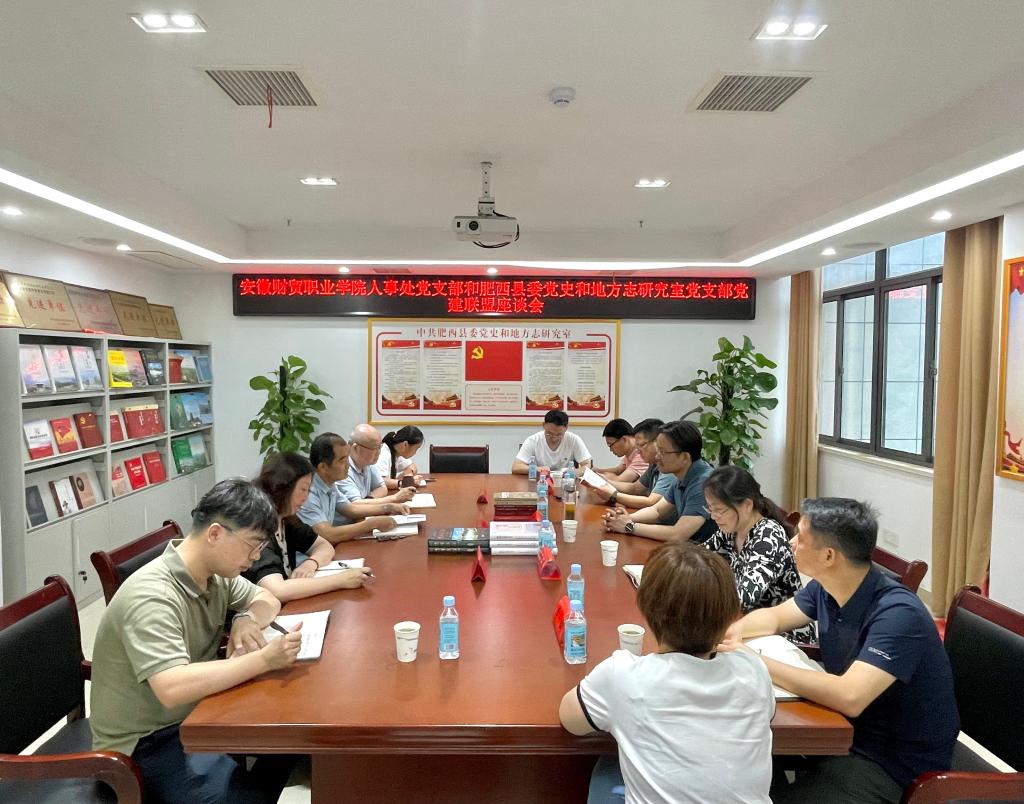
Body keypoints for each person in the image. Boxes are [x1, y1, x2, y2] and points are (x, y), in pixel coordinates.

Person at [721, 498, 959, 804]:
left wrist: (757, 661)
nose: (791, 543)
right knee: (744, 766)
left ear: (829, 555)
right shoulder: (828, 587)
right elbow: (775, 617)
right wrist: (731, 634)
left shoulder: (899, 614)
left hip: (892, 765)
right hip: (847, 736)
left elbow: (850, 696)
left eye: (801, 538)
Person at [90, 478, 302, 804]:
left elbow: (267, 599)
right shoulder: (153, 596)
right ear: (215, 534)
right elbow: (172, 688)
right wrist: (263, 659)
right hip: (142, 743)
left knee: (292, 743)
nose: (255, 558)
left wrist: (245, 618)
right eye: (252, 545)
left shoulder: (213, 574)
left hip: (196, 715)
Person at [559, 540, 774, 803]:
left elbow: (570, 720)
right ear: (730, 616)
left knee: (607, 769)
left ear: (646, 610)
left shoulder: (624, 676)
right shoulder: (753, 670)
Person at [702, 465, 815, 643]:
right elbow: (698, 557)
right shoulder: (731, 530)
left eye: (719, 510)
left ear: (747, 505)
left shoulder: (768, 537)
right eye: (710, 508)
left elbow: (744, 597)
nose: (713, 516)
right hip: (743, 623)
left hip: (783, 635)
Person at [247, 451, 373, 600]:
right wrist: (340, 580)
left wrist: (311, 563)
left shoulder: (286, 520)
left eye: (308, 490)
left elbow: (324, 546)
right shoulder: (257, 526)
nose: (306, 497)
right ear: (282, 487)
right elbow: (276, 590)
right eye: (303, 489)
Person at [603, 421, 716, 543]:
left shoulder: (704, 483)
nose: (657, 457)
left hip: (706, 552)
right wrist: (625, 518)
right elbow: (657, 511)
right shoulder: (682, 475)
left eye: (663, 452)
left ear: (684, 457)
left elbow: (678, 534)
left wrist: (628, 526)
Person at [298, 432, 403, 543]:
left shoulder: (329, 483)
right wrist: (373, 524)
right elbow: (327, 534)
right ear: (323, 467)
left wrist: (387, 508)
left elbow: (351, 509)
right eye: (343, 461)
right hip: (312, 552)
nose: (348, 465)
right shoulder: (306, 492)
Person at [588, 418, 677, 521]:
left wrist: (614, 495)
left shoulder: (669, 468)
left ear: (658, 443)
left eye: (641, 445)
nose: (638, 451)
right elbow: (635, 488)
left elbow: (652, 502)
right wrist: (605, 482)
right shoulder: (654, 464)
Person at [336, 424, 417, 522]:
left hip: (362, 519)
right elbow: (355, 505)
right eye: (374, 448)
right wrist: (394, 498)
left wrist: (368, 501)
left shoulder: (368, 463)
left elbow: (382, 487)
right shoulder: (342, 469)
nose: (379, 452)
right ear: (355, 448)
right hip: (346, 526)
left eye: (380, 447)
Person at [512, 408, 593, 474]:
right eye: (549, 433)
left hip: (566, 481)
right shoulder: (533, 440)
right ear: (544, 425)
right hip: (540, 482)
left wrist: (575, 472)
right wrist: (537, 469)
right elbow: (516, 467)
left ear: (566, 427)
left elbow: (588, 464)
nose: (554, 438)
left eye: (559, 434)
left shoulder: (573, 439)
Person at [593, 418, 648, 483]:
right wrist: (597, 471)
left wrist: (598, 476)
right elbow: (619, 470)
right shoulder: (630, 453)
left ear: (624, 439)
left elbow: (619, 481)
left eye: (611, 445)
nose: (610, 450)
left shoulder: (641, 455)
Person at [377, 425, 424, 489]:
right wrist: (404, 483)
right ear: (405, 445)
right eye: (416, 449)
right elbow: (380, 482)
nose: (415, 453)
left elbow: (412, 465)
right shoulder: (383, 454)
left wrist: (409, 474)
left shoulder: (397, 453)